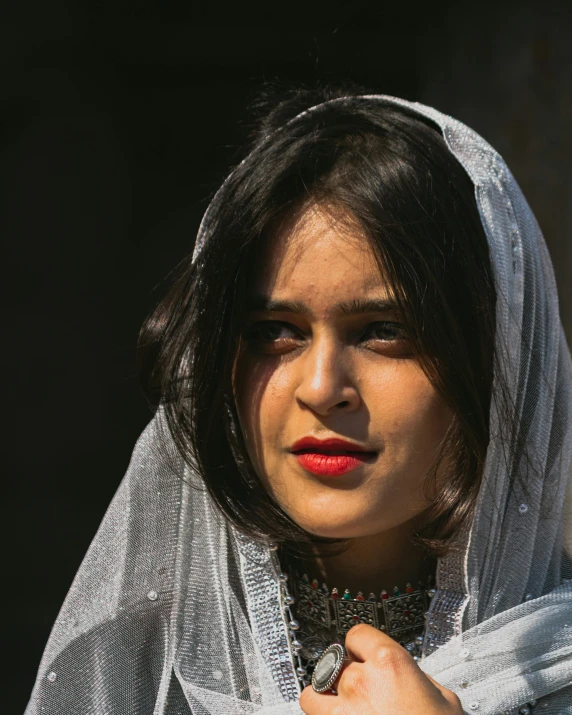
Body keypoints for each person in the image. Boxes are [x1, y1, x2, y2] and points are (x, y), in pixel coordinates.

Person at [25, 87, 572, 715]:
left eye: (383, 331)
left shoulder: (554, 668)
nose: (319, 388)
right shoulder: (135, 677)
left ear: (494, 358)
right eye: (274, 333)